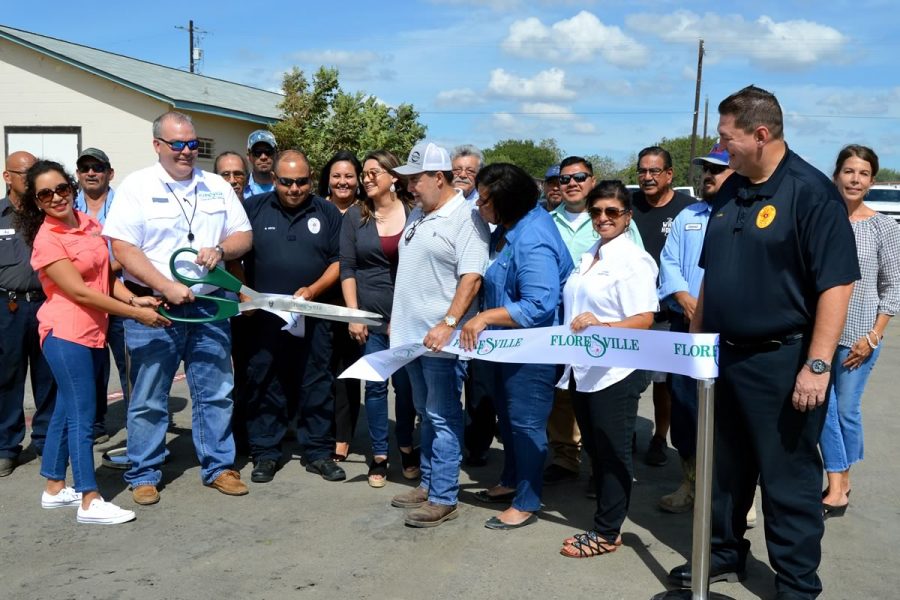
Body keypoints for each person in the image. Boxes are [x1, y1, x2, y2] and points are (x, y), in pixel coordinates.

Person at [668, 86, 859, 599]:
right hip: (724, 356)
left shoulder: (810, 192)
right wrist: (695, 345)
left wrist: (817, 366)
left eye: (726, 137)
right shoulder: (730, 190)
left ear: (760, 133)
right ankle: (723, 555)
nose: (720, 146)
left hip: (783, 359)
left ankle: (797, 584)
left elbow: (836, 284)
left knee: (786, 479)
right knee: (723, 471)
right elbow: (713, 273)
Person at [103, 111, 253, 505]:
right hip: (155, 309)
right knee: (149, 396)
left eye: (192, 144)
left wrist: (221, 249)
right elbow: (122, 248)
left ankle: (220, 466)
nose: (187, 152)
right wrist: (164, 285)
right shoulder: (136, 186)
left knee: (217, 391)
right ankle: (144, 472)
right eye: (178, 144)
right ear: (158, 146)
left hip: (208, 307)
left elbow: (243, 235)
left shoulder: (217, 185)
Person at [16, 160, 169, 524]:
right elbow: (80, 292)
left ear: (71, 188)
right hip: (66, 335)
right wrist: (135, 315)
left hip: (91, 332)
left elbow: (102, 277)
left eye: (61, 189)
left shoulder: (88, 225)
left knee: (67, 410)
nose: (56, 198)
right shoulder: (47, 240)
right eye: (45, 194)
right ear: (37, 202)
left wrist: (134, 299)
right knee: (84, 417)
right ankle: (89, 498)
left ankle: (54, 486)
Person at [460, 163, 573, 529]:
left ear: (506, 202)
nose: (478, 204)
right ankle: (510, 480)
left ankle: (527, 500)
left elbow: (539, 303)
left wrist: (485, 318)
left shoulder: (534, 237)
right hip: (506, 348)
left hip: (532, 351)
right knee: (507, 420)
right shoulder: (509, 230)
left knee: (525, 425)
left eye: (485, 199)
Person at [388, 140, 489, 527]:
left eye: (416, 179)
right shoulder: (418, 212)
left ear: (439, 177)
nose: (410, 187)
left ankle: (444, 494)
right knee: (425, 414)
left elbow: (471, 278)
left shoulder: (465, 218)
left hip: (441, 341)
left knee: (443, 416)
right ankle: (429, 482)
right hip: (413, 338)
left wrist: (448, 324)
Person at [556, 180, 658, 558]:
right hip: (584, 368)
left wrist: (604, 327)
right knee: (597, 450)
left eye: (612, 212)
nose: (603, 218)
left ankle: (607, 531)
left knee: (614, 451)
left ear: (627, 216)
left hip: (616, 371)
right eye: (596, 211)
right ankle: (605, 521)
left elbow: (645, 317)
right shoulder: (590, 254)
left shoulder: (633, 261)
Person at [239, 150, 346, 484]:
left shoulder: (327, 212)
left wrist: (313, 290)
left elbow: (340, 261)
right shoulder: (253, 209)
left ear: (310, 179)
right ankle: (266, 453)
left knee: (317, 381)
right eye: (287, 182)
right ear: (274, 179)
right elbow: (234, 255)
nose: (294, 189)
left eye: (301, 182)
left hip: (313, 316)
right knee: (264, 380)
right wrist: (244, 291)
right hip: (264, 319)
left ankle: (317, 452)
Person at [544, 157, 644, 487]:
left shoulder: (615, 224)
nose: (571, 182)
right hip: (565, 325)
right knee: (567, 398)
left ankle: (603, 473)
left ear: (591, 180)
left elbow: (637, 283)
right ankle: (565, 457)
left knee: (606, 410)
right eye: (564, 178)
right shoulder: (549, 220)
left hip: (608, 332)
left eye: (579, 176)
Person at [820, 145, 900, 517]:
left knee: (846, 411)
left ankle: (841, 482)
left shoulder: (884, 227)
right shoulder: (820, 221)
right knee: (823, 408)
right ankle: (839, 486)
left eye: (863, 173)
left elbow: (894, 287)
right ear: (837, 175)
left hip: (859, 338)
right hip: (822, 335)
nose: (855, 179)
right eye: (849, 171)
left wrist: (872, 337)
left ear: (871, 180)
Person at [656, 142, 733, 513]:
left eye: (717, 169)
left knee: (728, 414)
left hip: (728, 333)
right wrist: (683, 297)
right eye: (706, 169)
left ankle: (735, 495)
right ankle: (690, 484)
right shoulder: (689, 216)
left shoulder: (743, 215)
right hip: (684, 327)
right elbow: (668, 261)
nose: (708, 176)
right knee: (685, 409)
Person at [340, 149, 417, 487]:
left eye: (374, 173)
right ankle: (380, 456)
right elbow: (347, 267)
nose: (366, 178)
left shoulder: (416, 213)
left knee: (406, 389)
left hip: (407, 318)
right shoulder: (356, 215)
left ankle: (407, 448)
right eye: (365, 173)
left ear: (394, 177)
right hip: (369, 317)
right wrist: (354, 315)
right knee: (373, 388)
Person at [630, 146, 695, 467]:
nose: (647, 177)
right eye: (642, 171)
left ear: (670, 175)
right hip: (630, 312)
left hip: (668, 313)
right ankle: (626, 432)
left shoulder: (688, 210)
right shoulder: (627, 207)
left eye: (655, 171)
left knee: (664, 384)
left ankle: (659, 437)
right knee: (626, 378)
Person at [0, 150, 56, 477]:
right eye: (24, 173)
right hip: (8, 307)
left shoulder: (47, 214)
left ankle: (47, 440)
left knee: (48, 376)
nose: (31, 178)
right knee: (7, 377)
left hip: (47, 304)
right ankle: (6, 445)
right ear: (8, 176)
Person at [73, 147, 124, 445]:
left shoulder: (124, 204)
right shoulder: (68, 206)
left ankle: (139, 422)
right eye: (85, 167)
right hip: (82, 298)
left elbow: (130, 247)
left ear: (109, 173)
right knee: (90, 364)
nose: (91, 172)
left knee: (129, 364)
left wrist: (98, 273)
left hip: (117, 295)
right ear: (78, 174)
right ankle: (93, 423)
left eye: (98, 167)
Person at [318, 150, 365, 461]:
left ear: (358, 181)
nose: (342, 181)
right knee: (318, 371)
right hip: (317, 303)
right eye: (337, 176)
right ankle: (317, 430)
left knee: (347, 374)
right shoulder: (316, 209)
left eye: (349, 176)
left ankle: (343, 438)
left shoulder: (366, 214)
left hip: (353, 305)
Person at [245, 130, 277, 197]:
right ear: (249, 157)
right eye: (257, 152)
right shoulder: (241, 188)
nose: (263, 157)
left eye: (268, 151)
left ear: (275, 154)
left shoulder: (286, 186)